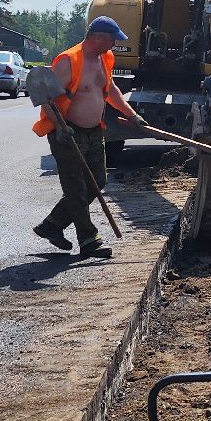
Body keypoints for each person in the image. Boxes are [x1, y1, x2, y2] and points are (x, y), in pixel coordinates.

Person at [32, 16, 146, 258]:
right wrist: (60, 127)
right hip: (67, 133)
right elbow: (46, 99)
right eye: (112, 39)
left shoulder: (106, 58)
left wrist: (132, 115)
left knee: (98, 181)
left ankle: (52, 224)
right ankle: (89, 240)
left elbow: (110, 90)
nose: (114, 44)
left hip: (95, 131)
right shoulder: (68, 61)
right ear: (97, 38)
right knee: (76, 188)